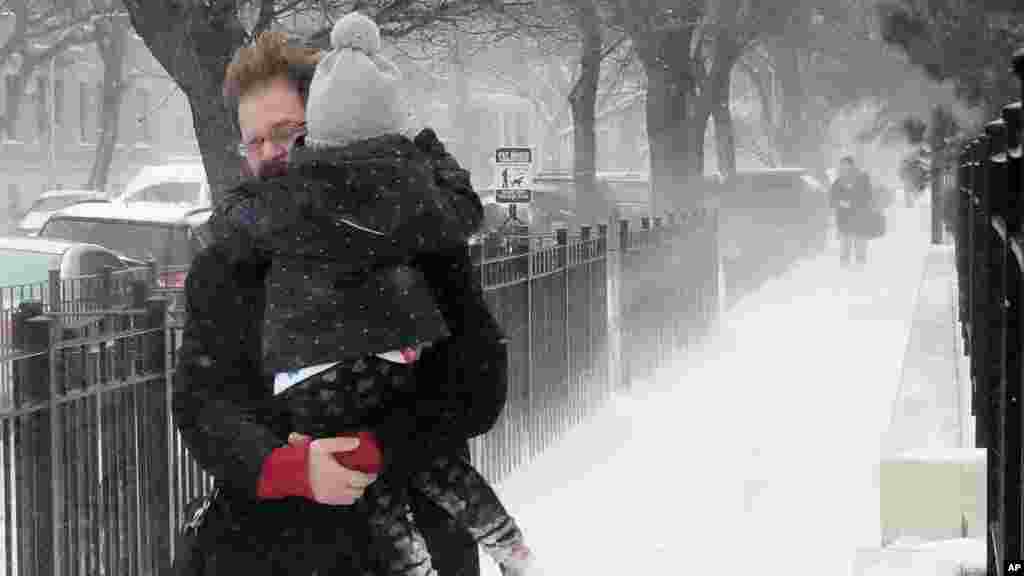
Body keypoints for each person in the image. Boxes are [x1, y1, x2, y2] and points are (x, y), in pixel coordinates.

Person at [203, 12, 532, 575]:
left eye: (285, 132)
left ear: (326, 126)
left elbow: (478, 387)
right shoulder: (229, 262)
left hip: (423, 532)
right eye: (254, 141)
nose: (270, 154)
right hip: (276, 551)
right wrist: (288, 466)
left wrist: (377, 447)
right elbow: (203, 405)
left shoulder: (420, 240)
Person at [829, 156, 873, 268]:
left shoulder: (862, 178)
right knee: (845, 245)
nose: (843, 168)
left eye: (846, 165)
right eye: (842, 166)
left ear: (852, 165)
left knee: (860, 244)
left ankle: (860, 267)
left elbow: (868, 196)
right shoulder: (838, 182)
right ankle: (845, 268)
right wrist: (841, 203)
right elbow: (832, 200)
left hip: (860, 217)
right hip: (844, 219)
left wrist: (854, 202)